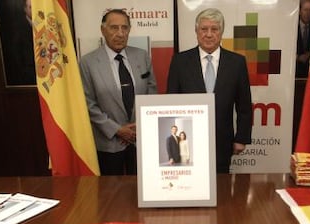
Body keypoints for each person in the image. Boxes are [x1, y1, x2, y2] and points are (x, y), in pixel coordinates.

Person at [167, 8, 252, 173]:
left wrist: (241, 138)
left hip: (222, 141)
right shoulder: (180, 61)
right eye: (204, 29)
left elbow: (244, 106)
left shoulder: (237, 63)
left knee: (221, 190)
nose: (208, 34)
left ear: (221, 32)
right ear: (196, 31)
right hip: (188, 140)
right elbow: (171, 101)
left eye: (214, 29)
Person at [80, 9, 157, 175]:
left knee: (140, 191)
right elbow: (88, 104)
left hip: (140, 139)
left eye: (125, 28)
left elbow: (152, 91)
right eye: (114, 28)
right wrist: (117, 130)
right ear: (103, 30)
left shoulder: (142, 56)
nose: (120, 33)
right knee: (110, 193)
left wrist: (141, 125)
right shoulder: (88, 62)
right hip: (108, 143)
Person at [296, 0, 310, 78]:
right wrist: (297, 57)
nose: (308, 13)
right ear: (300, 12)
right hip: (294, 71)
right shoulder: (292, 27)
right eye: (305, 10)